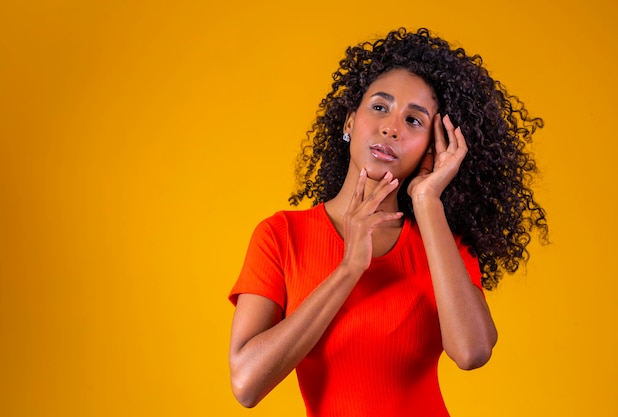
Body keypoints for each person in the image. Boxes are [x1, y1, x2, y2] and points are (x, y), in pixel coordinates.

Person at [228, 27, 548, 417]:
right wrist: (349, 268)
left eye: (414, 121)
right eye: (380, 107)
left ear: (432, 146)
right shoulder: (281, 236)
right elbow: (246, 383)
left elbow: (472, 352)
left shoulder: (441, 244)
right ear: (349, 122)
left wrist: (427, 200)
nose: (391, 127)